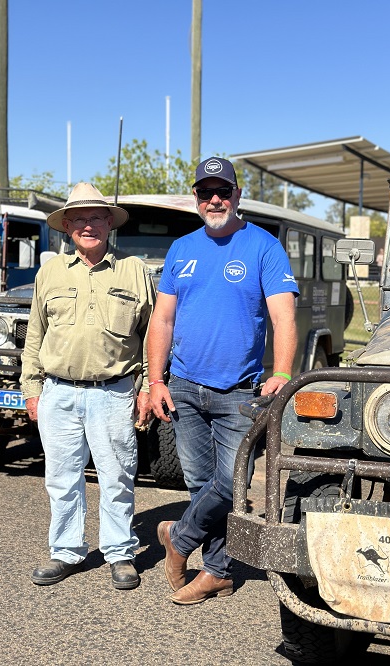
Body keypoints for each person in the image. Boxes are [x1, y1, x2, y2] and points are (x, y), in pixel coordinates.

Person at [148, 157, 299, 604]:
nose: (214, 200)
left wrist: (284, 373)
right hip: (184, 386)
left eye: (223, 192)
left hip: (238, 390)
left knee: (233, 483)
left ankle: (178, 536)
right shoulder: (181, 248)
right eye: (205, 192)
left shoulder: (264, 247)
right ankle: (216, 571)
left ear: (237, 196)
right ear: (195, 198)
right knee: (199, 483)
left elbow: (283, 317)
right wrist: (156, 380)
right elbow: (162, 319)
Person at [21, 182, 155, 590]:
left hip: (113, 393)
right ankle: (66, 551)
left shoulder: (134, 271)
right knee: (61, 478)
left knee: (116, 477)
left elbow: (153, 336)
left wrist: (148, 387)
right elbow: (34, 335)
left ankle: (119, 553)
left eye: (96, 216)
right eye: (78, 218)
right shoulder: (51, 272)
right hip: (57, 392)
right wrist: (31, 389)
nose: (87, 225)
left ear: (109, 224)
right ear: (66, 227)